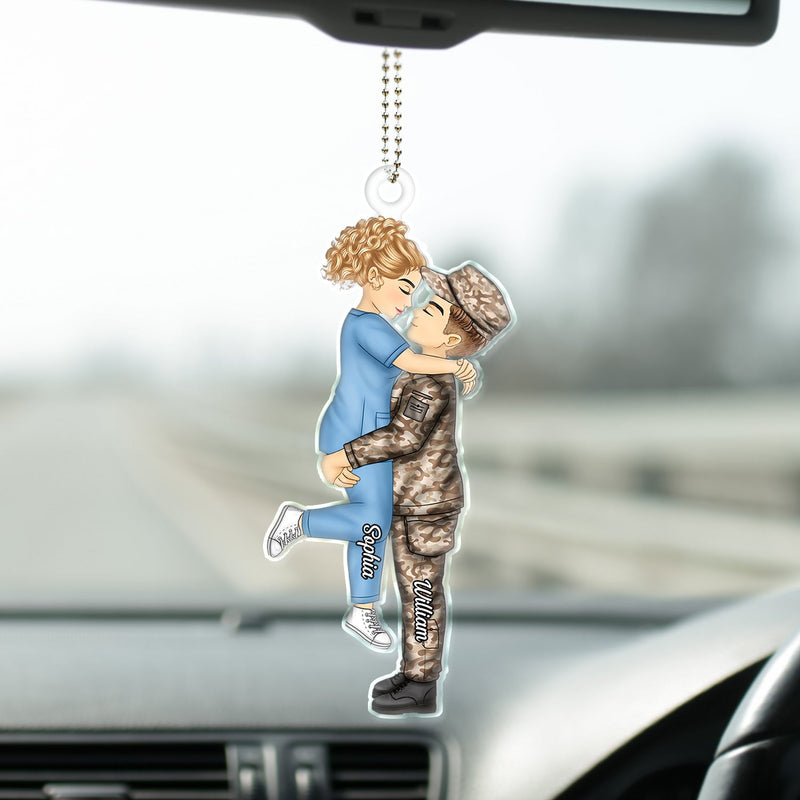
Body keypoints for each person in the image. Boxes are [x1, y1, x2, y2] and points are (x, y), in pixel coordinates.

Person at [263, 217, 476, 650]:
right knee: (373, 520)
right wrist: (455, 364)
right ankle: (303, 524)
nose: (409, 302)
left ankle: (362, 609)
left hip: (366, 429)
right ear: (375, 278)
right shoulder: (366, 325)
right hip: (357, 431)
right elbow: (411, 363)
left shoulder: (375, 326)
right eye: (404, 289)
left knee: (372, 521)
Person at [320, 261, 514, 715]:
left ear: (450, 340)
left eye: (432, 309)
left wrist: (345, 455)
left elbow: (404, 436)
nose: (418, 309)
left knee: (422, 592)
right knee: (414, 590)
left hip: (425, 506)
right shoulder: (427, 372)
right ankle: (413, 672)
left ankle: (422, 683)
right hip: (417, 501)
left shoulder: (430, 382)